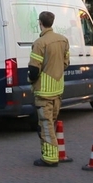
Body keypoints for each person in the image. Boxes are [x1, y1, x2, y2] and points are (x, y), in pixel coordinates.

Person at [28, 10, 70, 166]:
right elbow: (66, 63)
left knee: (45, 126)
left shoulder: (40, 43)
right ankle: (49, 153)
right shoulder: (63, 40)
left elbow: (33, 71)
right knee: (50, 123)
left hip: (43, 92)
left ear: (40, 23)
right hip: (58, 90)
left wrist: (31, 80)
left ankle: (50, 158)